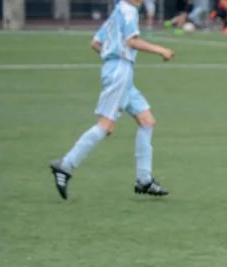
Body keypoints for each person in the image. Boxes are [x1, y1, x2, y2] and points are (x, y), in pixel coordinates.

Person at [49, 0, 172, 200]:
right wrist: (160, 50)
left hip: (119, 71)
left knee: (147, 121)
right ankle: (65, 166)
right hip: (120, 73)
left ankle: (144, 179)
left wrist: (110, 55)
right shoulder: (128, 11)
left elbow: (95, 43)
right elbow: (132, 42)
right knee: (106, 126)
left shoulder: (117, 11)